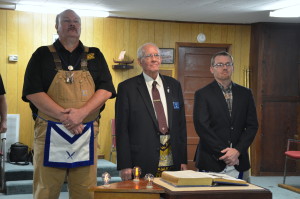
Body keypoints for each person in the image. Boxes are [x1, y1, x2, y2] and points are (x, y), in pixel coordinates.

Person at [22, 9, 116, 199]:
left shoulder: (95, 55)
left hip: (86, 130)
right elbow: (33, 92)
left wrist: (80, 114)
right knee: (45, 189)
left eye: (76, 21)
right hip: (49, 131)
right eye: (66, 21)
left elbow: (106, 89)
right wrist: (66, 117)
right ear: (57, 27)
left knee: (85, 190)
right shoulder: (41, 54)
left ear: (80, 27)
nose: (72, 24)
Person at [115, 43, 187, 180]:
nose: (154, 59)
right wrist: (124, 164)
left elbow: (181, 124)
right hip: (141, 158)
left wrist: (183, 159)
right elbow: (122, 129)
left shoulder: (174, 85)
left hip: (173, 158)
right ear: (139, 61)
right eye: (149, 56)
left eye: (157, 55)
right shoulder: (127, 88)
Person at [193, 51, 258, 181]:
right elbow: (202, 127)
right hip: (211, 159)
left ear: (232, 67)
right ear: (212, 69)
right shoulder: (202, 94)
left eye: (228, 64)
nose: (224, 67)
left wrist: (237, 151)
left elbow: (252, 126)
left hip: (239, 160)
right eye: (220, 64)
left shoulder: (245, 93)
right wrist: (226, 153)